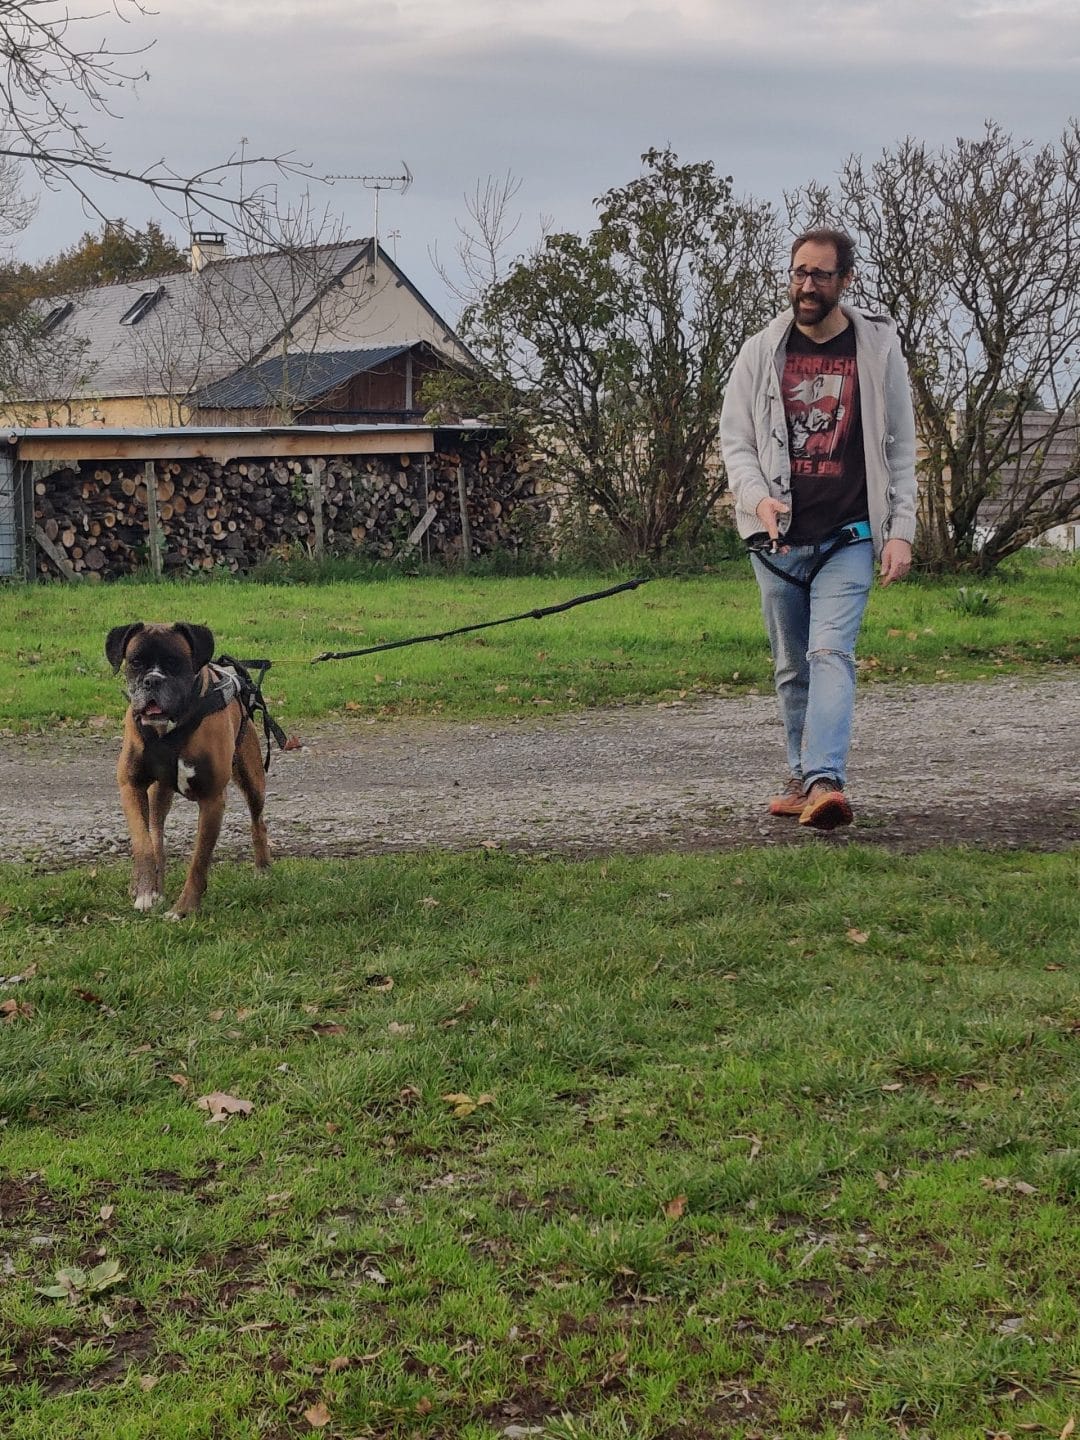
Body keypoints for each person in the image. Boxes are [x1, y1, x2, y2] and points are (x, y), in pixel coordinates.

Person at [719, 228, 917, 830]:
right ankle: (803, 772)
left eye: (821, 275)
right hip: (776, 542)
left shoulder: (877, 349)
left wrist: (901, 528)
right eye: (799, 272)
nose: (807, 286)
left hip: (848, 536)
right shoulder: (760, 350)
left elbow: (901, 447)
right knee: (791, 665)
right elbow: (736, 444)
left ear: (845, 281)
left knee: (831, 652)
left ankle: (826, 779)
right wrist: (758, 502)